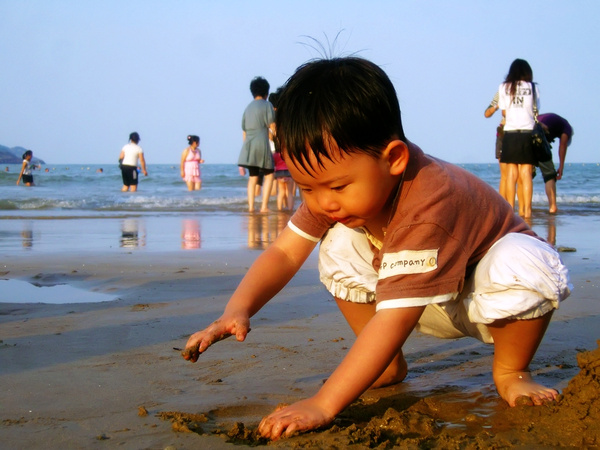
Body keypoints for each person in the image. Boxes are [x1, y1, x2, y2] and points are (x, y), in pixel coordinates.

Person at [182, 57, 571, 440]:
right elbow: (284, 253)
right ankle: (387, 367)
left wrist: (324, 404)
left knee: (522, 258)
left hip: (489, 301)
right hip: (420, 293)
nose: (322, 202)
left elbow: (395, 320)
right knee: (335, 242)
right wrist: (237, 309)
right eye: (307, 188)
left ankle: (511, 371)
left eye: (336, 187)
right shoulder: (339, 194)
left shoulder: (429, 200)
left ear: (394, 159)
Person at [497, 59, 539, 218]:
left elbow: (504, 111)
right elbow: (536, 108)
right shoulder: (533, 87)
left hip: (510, 132)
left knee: (511, 173)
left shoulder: (504, 87)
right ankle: (526, 211)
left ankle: (510, 211)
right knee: (526, 172)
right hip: (527, 132)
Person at [238, 76, 276, 213]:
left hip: (249, 145)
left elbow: (244, 130)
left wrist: (246, 148)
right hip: (262, 144)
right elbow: (272, 125)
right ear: (266, 92)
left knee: (253, 176)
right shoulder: (267, 105)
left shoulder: (247, 108)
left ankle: (251, 207)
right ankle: (264, 207)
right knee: (269, 174)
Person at [536, 113, 574, 213]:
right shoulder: (567, 128)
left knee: (525, 174)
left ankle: (523, 208)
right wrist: (561, 167)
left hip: (524, 131)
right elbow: (563, 145)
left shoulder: (557, 120)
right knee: (550, 175)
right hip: (538, 134)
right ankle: (553, 207)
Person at [269, 88, 296, 211]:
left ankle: (280, 209)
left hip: (279, 174)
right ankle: (290, 209)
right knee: (290, 192)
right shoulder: (287, 153)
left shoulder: (275, 154)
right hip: (288, 172)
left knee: (281, 192)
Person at [484, 92, 507, 197]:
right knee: (505, 174)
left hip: (520, 130)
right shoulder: (502, 90)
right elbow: (487, 113)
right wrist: (497, 106)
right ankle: (506, 207)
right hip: (503, 131)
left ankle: (523, 211)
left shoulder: (527, 88)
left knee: (520, 175)